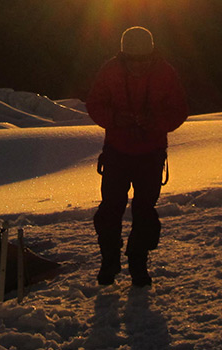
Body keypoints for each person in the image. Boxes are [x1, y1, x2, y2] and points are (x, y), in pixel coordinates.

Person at [85, 26, 189, 287]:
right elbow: (95, 105)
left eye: (143, 60)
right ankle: (109, 261)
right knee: (110, 209)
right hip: (118, 152)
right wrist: (116, 119)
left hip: (150, 154)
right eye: (132, 60)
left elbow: (179, 110)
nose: (137, 66)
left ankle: (137, 263)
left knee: (144, 211)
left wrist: (153, 123)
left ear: (152, 56)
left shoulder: (165, 73)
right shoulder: (110, 71)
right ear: (123, 56)